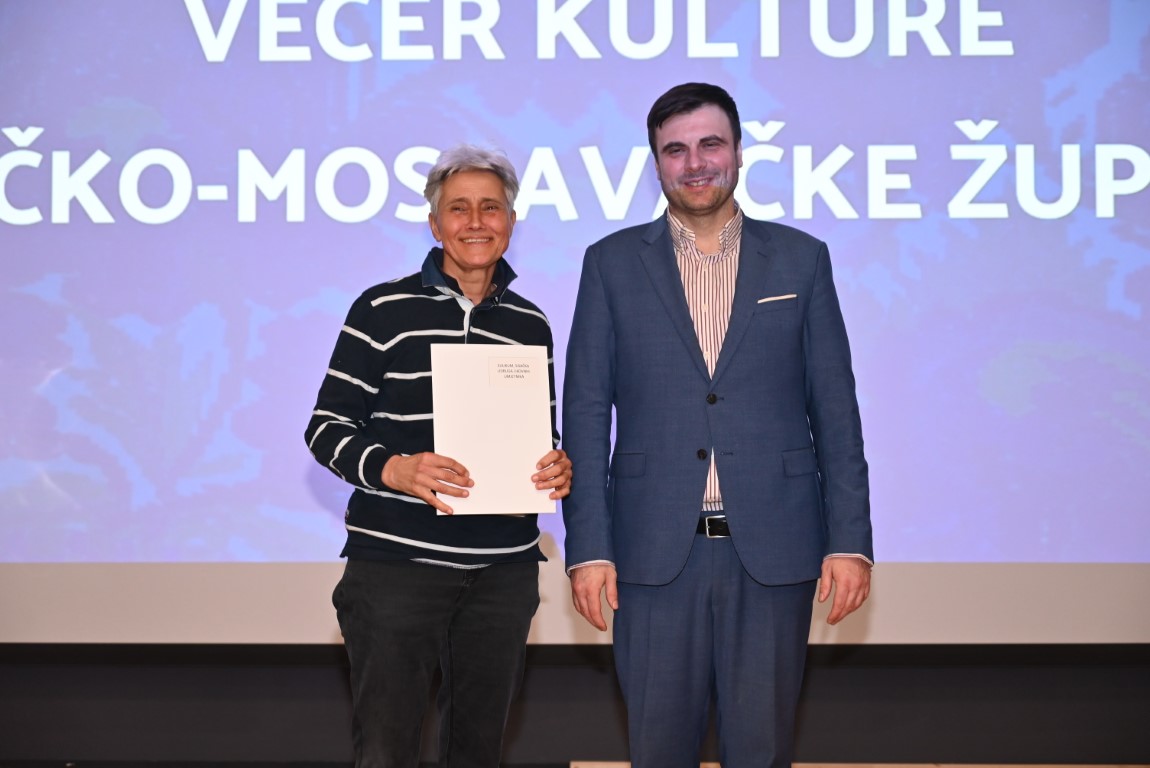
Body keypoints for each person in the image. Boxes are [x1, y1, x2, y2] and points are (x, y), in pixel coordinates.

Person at [561, 82, 874, 768]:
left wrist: (851, 541)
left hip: (774, 553)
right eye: (675, 150)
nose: (695, 162)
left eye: (710, 144)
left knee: (761, 751)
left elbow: (836, 410)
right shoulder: (610, 263)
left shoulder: (801, 259)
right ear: (656, 163)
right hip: (649, 556)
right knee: (657, 751)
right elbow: (583, 412)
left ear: (737, 151)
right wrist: (588, 548)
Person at [304, 144, 572, 768]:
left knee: (478, 752)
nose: (476, 221)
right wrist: (394, 468)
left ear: (511, 221)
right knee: (387, 752)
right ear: (434, 224)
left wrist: (557, 465)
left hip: (503, 572)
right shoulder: (381, 309)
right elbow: (326, 428)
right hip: (398, 569)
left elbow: (542, 433)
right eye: (459, 208)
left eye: (491, 207)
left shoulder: (530, 323)